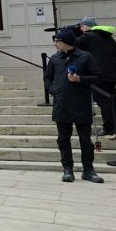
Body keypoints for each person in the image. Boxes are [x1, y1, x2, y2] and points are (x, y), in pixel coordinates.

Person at [44, 27, 104, 184]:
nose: (55, 44)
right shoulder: (55, 59)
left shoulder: (85, 57)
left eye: (57, 41)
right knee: (63, 138)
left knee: (85, 139)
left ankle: (88, 170)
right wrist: (53, 91)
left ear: (66, 42)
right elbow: (48, 78)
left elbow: (97, 76)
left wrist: (80, 79)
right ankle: (67, 169)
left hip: (81, 103)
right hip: (61, 103)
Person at [76, 17, 116, 139]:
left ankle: (110, 128)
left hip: (98, 75)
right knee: (113, 101)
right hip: (111, 74)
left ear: (88, 26)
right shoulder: (108, 37)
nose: (81, 29)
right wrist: (107, 61)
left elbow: (74, 45)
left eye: (82, 26)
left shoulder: (89, 36)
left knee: (104, 102)